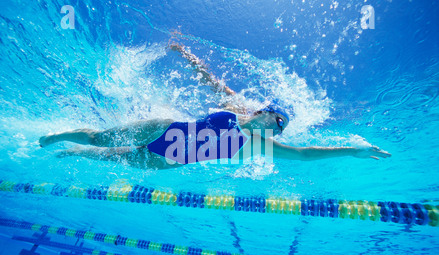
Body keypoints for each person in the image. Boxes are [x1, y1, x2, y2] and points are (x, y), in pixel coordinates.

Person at [39, 44, 391, 170]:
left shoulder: (259, 145)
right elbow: (211, 80)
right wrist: (188, 56)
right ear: (264, 111)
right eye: (276, 118)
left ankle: (71, 153)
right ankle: (59, 136)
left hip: (165, 161)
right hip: (163, 128)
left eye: (281, 127)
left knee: (105, 156)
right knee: (102, 137)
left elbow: (303, 154)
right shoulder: (237, 108)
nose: (277, 127)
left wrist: (351, 151)